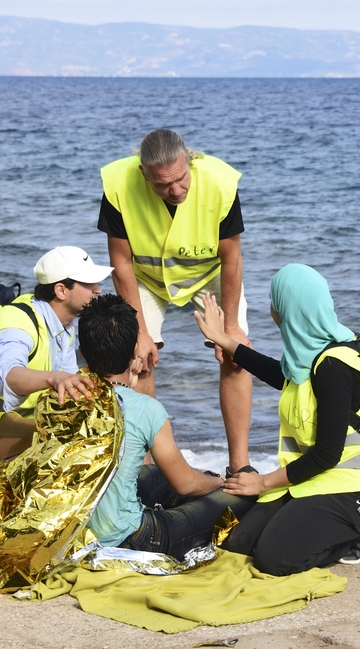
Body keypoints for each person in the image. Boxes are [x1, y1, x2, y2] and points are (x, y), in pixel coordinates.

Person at [194, 265, 360, 576]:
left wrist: (261, 483)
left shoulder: (335, 367)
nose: (271, 308)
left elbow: (327, 454)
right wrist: (223, 340)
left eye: (273, 301)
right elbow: (277, 373)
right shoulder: (306, 359)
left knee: (274, 559)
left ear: (286, 310)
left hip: (359, 488)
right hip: (316, 478)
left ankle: (352, 537)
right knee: (238, 543)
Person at [98, 128, 254, 476]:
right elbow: (120, 263)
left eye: (181, 179)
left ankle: (240, 466)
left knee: (236, 355)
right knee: (137, 358)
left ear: (190, 162)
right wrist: (139, 333)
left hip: (207, 274)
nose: (175, 190)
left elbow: (232, 259)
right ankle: (145, 465)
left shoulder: (219, 182)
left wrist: (229, 329)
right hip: (147, 277)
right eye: (162, 185)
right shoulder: (118, 185)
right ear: (143, 174)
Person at [79, 294, 255, 560]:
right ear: (133, 352)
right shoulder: (145, 409)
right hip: (132, 539)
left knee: (156, 474)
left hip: (80, 531)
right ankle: (221, 487)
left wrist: (128, 384)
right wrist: (219, 482)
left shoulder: (63, 398)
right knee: (237, 493)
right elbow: (184, 484)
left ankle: (207, 487)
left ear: (82, 352)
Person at [0, 247, 111, 473]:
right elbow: (7, 376)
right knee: (60, 438)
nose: (98, 290)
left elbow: (68, 392)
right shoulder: (16, 322)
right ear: (61, 290)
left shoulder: (65, 327)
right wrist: (55, 378)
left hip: (2, 424)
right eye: (89, 284)